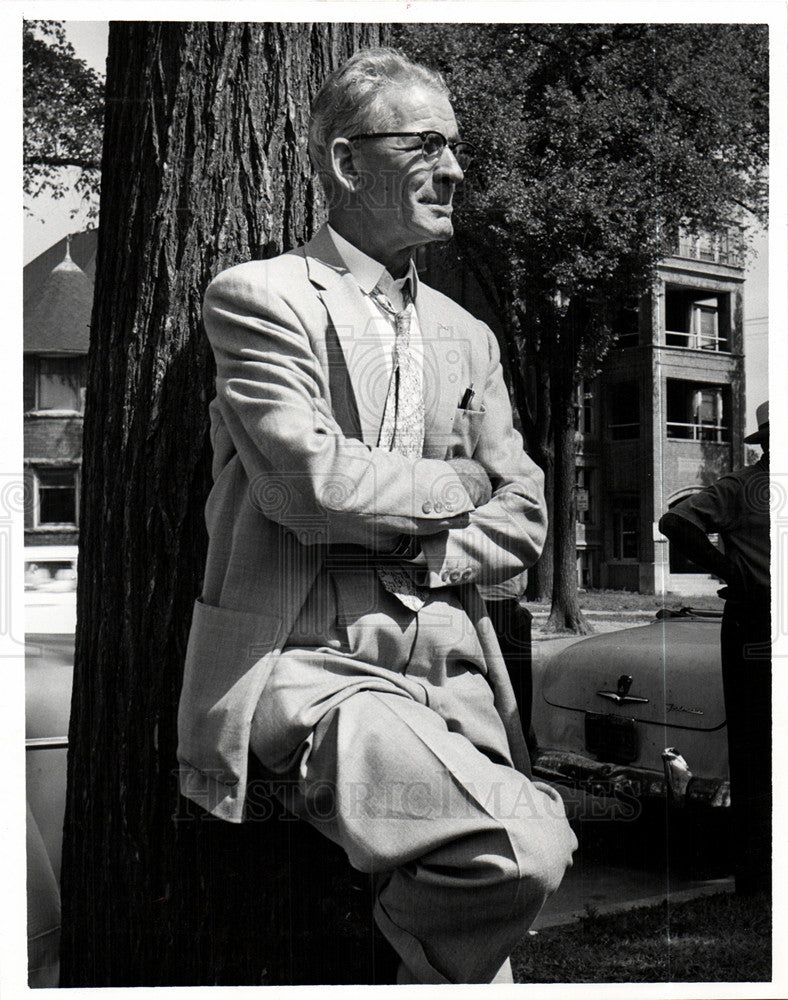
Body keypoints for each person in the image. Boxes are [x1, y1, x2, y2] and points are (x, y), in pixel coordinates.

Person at [177, 47, 576, 984]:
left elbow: (527, 518)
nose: (457, 169)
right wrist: (456, 491)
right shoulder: (261, 297)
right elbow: (306, 487)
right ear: (348, 164)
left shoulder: (467, 333)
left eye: (457, 147)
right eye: (428, 143)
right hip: (307, 662)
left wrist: (440, 537)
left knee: (540, 842)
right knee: (523, 849)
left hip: (450, 672)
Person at [658, 401, 770, 898]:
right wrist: (734, 575)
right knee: (754, 749)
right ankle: (755, 871)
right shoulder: (741, 487)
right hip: (755, 624)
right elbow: (676, 521)